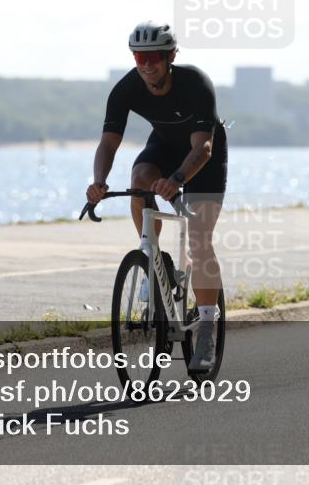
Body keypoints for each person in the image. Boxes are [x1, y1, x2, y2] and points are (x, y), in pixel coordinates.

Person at [86, 21, 227, 372]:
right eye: (140, 57)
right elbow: (108, 143)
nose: (147, 65)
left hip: (203, 156)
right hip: (164, 147)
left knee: (199, 240)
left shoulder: (195, 83)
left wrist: (178, 178)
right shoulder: (126, 89)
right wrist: (98, 182)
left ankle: (207, 326)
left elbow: (204, 147)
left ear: (171, 57)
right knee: (140, 178)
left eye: (155, 57)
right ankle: (150, 255)